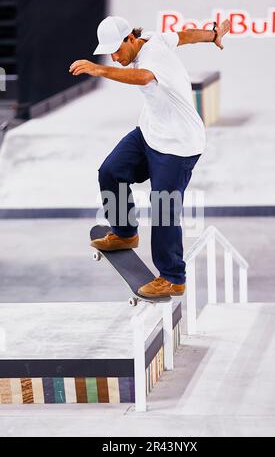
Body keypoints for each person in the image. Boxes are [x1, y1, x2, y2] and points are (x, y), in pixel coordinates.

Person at [69, 16, 230, 298]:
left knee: (163, 206)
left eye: (118, 50)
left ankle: (172, 277)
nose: (115, 57)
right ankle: (125, 233)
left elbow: (144, 76)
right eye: (109, 54)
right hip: (150, 131)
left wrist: (99, 70)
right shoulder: (155, 37)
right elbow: (184, 35)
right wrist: (213, 34)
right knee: (110, 171)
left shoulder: (152, 55)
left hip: (179, 144)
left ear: (131, 38)